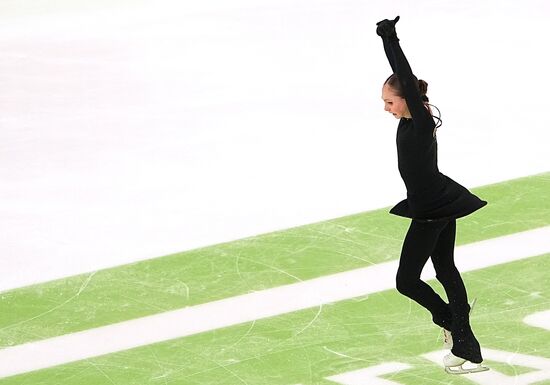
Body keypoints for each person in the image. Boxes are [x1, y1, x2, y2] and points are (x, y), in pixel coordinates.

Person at [376, 16, 489, 375]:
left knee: (406, 281)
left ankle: (451, 321)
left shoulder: (421, 121)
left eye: (389, 101)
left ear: (406, 97)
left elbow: (403, 73)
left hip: (430, 211)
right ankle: (466, 345)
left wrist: (389, 37)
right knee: (444, 268)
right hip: (438, 202)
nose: (386, 108)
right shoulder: (411, 121)